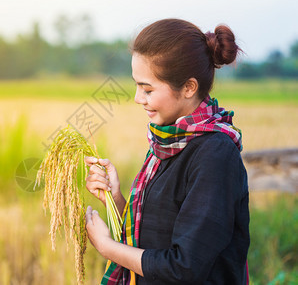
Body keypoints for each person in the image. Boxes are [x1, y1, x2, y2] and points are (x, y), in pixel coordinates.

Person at [84, 18, 250, 284]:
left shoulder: (215, 155)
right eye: (136, 85)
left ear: (188, 87)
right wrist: (115, 200)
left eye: (147, 88)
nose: (138, 98)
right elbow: (158, 235)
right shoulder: (168, 141)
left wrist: (107, 247)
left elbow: (184, 267)